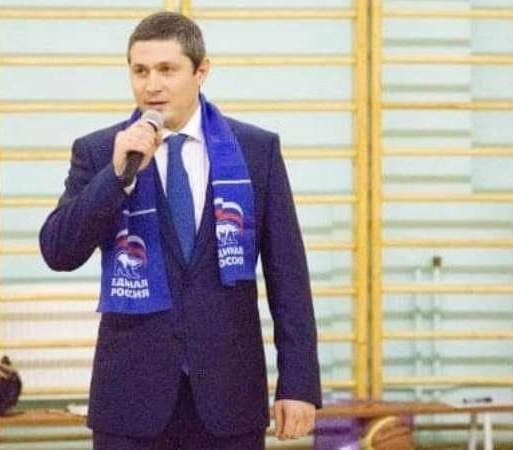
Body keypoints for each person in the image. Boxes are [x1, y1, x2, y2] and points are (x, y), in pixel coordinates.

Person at [39, 11, 321, 449]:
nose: (152, 85)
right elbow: (58, 251)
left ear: (201, 71)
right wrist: (116, 178)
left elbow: (288, 276)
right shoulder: (101, 151)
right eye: (140, 71)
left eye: (167, 70)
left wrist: (298, 383)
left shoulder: (255, 150)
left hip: (229, 398)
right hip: (131, 401)